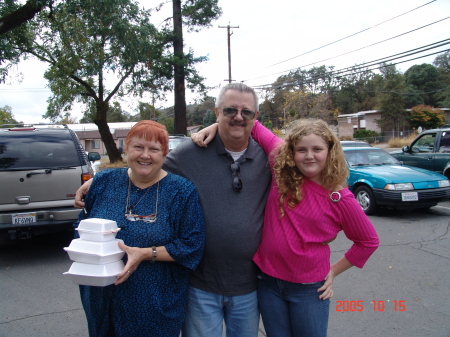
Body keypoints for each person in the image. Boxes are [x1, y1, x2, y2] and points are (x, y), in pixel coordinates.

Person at [74, 83, 272, 337]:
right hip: (200, 286)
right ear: (217, 112)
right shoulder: (191, 153)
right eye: (230, 110)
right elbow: (146, 167)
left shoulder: (271, 157)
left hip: (249, 285)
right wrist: (97, 182)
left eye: (247, 113)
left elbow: (306, 159)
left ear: (256, 117)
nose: (238, 116)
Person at [193, 119, 379, 337]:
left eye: (317, 149)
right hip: (269, 283)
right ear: (291, 152)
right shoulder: (280, 169)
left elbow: (368, 241)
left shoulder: (338, 197)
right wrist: (217, 126)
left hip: (309, 288)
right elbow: (249, 122)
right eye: (301, 150)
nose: (309, 156)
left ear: (330, 151)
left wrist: (333, 271)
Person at [74, 120, 205, 337]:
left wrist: (145, 254)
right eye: (138, 147)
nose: (145, 155)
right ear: (126, 149)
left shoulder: (181, 192)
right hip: (101, 298)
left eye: (154, 149)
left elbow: (192, 245)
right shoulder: (104, 181)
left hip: (154, 302)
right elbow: (81, 223)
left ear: (165, 154)